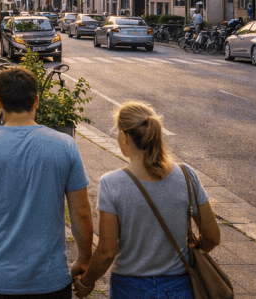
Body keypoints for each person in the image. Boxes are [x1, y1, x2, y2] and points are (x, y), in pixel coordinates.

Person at [0, 66, 93, 298]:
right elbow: (82, 213)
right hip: (51, 280)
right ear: (36, 101)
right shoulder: (65, 146)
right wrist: (83, 261)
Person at [73, 102, 220, 299]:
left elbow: (107, 251)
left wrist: (86, 282)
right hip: (178, 285)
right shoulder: (186, 175)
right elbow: (212, 236)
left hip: (130, 287)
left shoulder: (112, 183)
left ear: (125, 137)